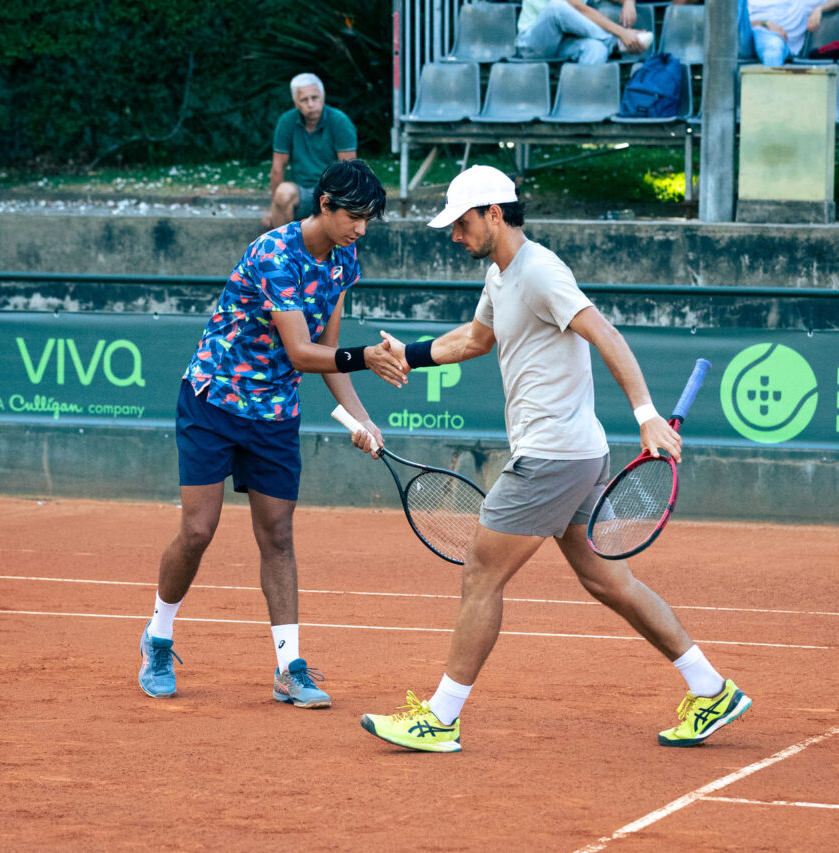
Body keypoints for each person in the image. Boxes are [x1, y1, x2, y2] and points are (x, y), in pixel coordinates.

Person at [353, 166, 751, 753]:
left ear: (493, 213)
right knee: (608, 579)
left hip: (551, 458)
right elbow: (474, 341)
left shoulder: (540, 271)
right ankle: (711, 688)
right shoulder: (501, 274)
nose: (454, 237)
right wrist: (407, 354)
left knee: (482, 574)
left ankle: (439, 718)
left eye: (460, 225)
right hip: (576, 452)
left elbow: (607, 336)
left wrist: (645, 414)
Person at [138, 159, 404, 708]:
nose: (361, 229)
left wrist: (361, 419)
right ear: (325, 204)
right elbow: (302, 352)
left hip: (275, 412)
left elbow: (327, 353)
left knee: (278, 535)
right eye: (354, 216)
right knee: (198, 529)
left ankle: (290, 669)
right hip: (214, 399)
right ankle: (158, 638)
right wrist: (369, 357)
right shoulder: (274, 254)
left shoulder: (345, 257)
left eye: (369, 219)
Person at [262, 73, 358, 230]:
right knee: (283, 193)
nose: (311, 104)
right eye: (304, 100)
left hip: (331, 192)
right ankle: (284, 251)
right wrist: (274, 208)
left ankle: (331, 252)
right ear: (296, 103)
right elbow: (277, 167)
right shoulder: (287, 121)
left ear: (323, 96)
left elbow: (349, 171)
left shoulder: (340, 121)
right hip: (301, 193)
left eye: (315, 98)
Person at [515, 0, 650, 64]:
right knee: (556, 7)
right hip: (532, 45)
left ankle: (583, 105)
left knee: (596, 48)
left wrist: (628, 3)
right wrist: (621, 33)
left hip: (562, 44)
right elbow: (578, 7)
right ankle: (614, 43)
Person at [739, 0, 839, 66]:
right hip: (743, 36)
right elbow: (734, 22)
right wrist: (764, 23)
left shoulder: (801, 2)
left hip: (772, 40)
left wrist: (819, 9)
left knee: (773, 47)